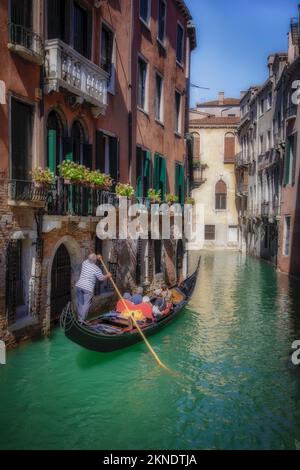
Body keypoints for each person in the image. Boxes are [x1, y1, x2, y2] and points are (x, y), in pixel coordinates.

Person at [76, 253, 111, 322]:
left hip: (79, 286)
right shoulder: (96, 269)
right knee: (86, 304)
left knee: (80, 303)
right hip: (88, 288)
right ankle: (81, 320)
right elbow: (101, 278)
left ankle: (79, 318)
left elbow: (91, 258)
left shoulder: (84, 263)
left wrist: (96, 257)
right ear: (95, 261)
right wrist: (108, 275)